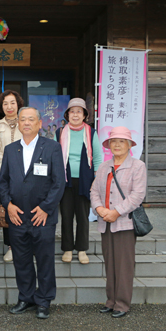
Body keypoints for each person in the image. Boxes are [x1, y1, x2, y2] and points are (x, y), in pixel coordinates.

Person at [0, 107, 65, 320]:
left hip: (42, 216)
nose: (26, 123)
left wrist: (46, 207)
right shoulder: (10, 150)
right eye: (22, 119)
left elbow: (59, 182)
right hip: (17, 216)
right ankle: (26, 298)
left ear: (39, 124)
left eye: (31, 119)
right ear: (18, 123)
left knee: (45, 260)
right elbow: (3, 182)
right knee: (22, 260)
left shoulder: (52, 147)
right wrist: (8, 204)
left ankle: (44, 300)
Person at [90, 126, 146, 318]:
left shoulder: (137, 166)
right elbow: (94, 191)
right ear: (109, 145)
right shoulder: (104, 166)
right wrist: (99, 209)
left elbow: (137, 195)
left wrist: (116, 212)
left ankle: (122, 303)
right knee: (110, 263)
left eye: (122, 141)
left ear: (129, 145)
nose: (117, 144)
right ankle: (111, 301)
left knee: (124, 264)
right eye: (114, 141)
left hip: (125, 223)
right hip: (105, 222)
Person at [54, 98, 103, 265]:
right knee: (66, 215)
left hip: (85, 180)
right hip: (65, 180)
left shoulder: (91, 133)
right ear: (67, 114)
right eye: (72, 111)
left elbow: (97, 157)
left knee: (82, 216)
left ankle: (82, 249)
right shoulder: (60, 133)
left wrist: (96, 180)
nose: (75, 114)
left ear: (84, 115)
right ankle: (67, 248)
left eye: (79, 111)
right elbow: (54, 157)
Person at [0, 90, 24, 262]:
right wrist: (9, 169)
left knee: (25, 208)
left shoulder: (25, 122)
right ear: (1, 106)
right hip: (4, 174)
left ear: (18, 104)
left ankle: (24, 245)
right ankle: (11, 247)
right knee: (7, 209)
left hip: (25, 174)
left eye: (12, 102)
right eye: (5, 103)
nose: (9, 106)